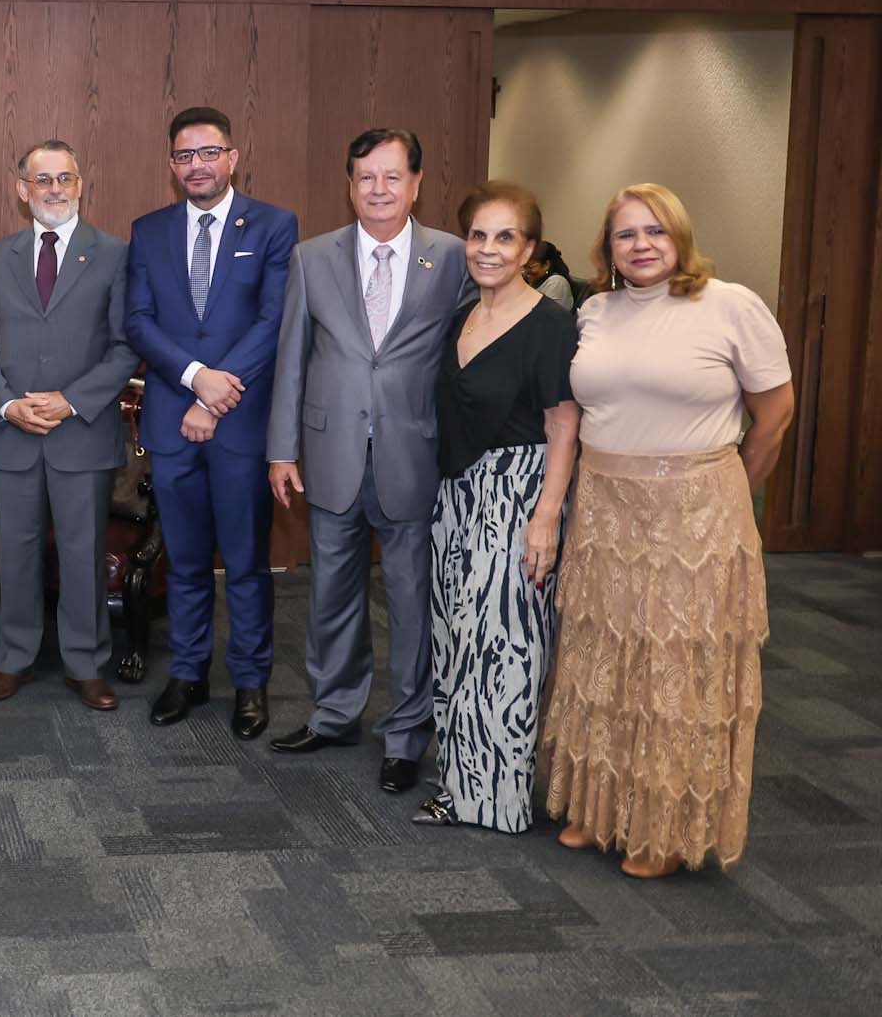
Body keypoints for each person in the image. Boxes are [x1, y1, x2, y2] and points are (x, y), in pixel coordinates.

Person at [539, 183, 793, 878]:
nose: (641, 244)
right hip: (605, 507)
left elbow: (774, 416)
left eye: (655, 230)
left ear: (680, 236)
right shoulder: (594, 311)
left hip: (697, 515)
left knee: (676, 672)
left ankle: (665, 831)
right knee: (604, 658)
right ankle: (598, 810)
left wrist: (725, 490)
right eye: (626, 234)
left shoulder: (730, 305)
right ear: (608, 247)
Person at [265, 128, 474, 794]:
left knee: (411, 604)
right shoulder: (311, 257)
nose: (378, 189)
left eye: (392, 177)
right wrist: (281, 449)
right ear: (349, 185)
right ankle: (334, 714)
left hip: (415, 456)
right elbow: (292, 358)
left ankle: (407, 734)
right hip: (330, 456)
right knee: (331, 596)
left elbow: (471, 357)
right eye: (365, 178)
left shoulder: (454, 257)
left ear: (416, 184)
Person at [126, 107, 297, 733]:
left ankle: (250, 681)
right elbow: (137, 321)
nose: (196, 165)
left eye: (208, 152)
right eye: (184, 155)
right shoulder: (149, 231)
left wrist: (213, 395)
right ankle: (189, 673)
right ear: (172, 164)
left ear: (232, 157)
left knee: (247, 563)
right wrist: (196, 379)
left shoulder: (274, 225)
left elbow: (273, 320)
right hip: (173, 421)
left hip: (240, 423)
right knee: (186, 560)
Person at [414, 181, 578, 833]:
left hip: (518, 495)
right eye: (478, 235)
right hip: (457, 495)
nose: (488, 248)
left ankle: (500, 803)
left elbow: (564, 425)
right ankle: (458, 788)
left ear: (529, 249)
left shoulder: (550, 325)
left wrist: (546, 518)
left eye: (505, 237)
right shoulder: (464, 315)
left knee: (506, 650)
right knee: (457, 641)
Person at [0, 140, 139, 713]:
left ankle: (85, 663)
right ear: (23, 190)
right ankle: (13, 658)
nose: (55, 189)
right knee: (15, 550)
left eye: (65, 178)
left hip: (81, 431)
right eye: (43, 180)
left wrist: (70, 401)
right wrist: (6, 406)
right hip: (16, 431)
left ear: (81, 184)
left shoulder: (113, 253)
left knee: (83, 553)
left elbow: (125, 347)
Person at [524, 239, 577, 310]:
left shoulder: (556, 282)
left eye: (530, 267)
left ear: (546, 265)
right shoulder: (534, 281)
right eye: (524, 266)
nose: (526, 271)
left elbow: (546, 313)